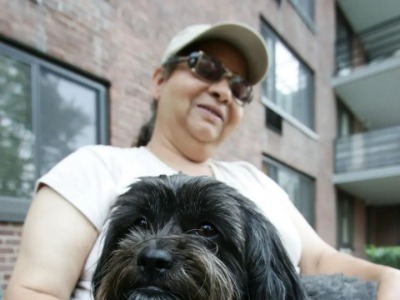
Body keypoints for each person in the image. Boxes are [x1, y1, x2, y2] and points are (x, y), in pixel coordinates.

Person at [5, 21, 400, 300]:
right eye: (206, 68)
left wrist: (389, 278)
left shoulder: (255, 180)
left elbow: (319, 258)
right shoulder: (93, 167)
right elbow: (32, 292)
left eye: (239, 87)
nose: (223, 91)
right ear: (160, 80)